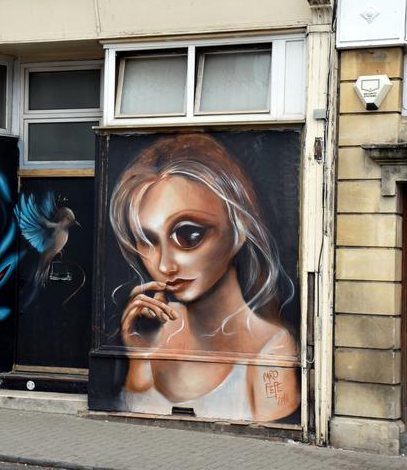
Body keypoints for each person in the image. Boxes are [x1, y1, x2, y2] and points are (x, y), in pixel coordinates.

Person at [109, 133, 300, 422]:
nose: (164, 265)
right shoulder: (155, 328)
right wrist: (138, 360)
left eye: (188, 234)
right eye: (147, 241)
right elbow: (129, 417)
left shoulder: (271, 348)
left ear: (240, 228)